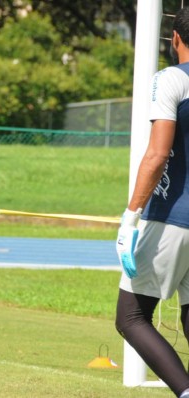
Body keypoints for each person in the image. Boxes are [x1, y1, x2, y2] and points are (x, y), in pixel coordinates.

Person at [115, 8, 189, 397]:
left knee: (131, 316)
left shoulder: (171, 79)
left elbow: (157, 155)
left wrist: (130, 218)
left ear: (174, 38)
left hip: (172, 219)